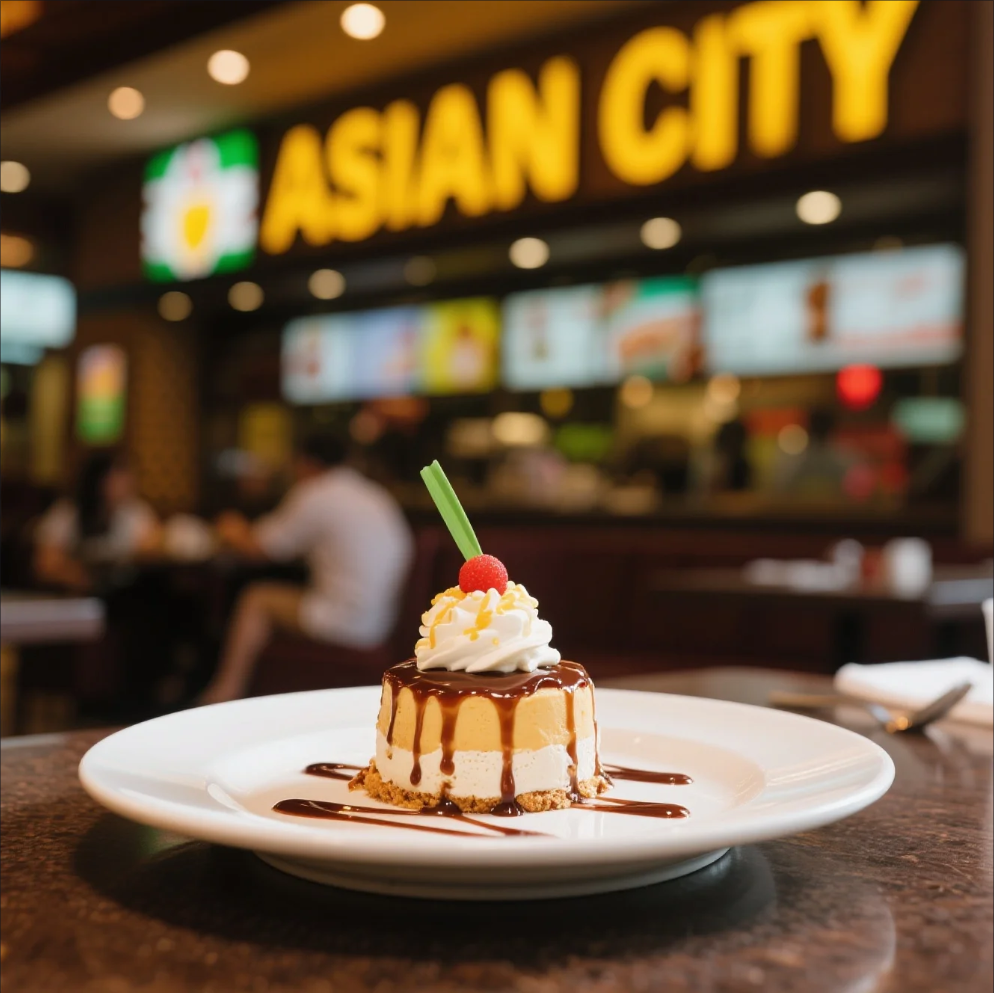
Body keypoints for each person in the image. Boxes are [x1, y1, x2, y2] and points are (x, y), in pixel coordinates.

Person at [200, 433, 414, 704]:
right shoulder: (373, 494)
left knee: (256, 598)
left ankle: (225, 691)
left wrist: (229, 528)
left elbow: (260, 548)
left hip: (348, 622)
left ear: (305, 462)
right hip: (381, 623)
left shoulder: (316, 492)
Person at [33, 452, 161, 591]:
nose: (129, 482)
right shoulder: (67, 513)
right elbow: (45, 565)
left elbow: (154, 549)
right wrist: (82, 578)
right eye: (119, 476)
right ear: (97, 480)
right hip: (77, 597)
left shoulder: (135, 512)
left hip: (126, 594)